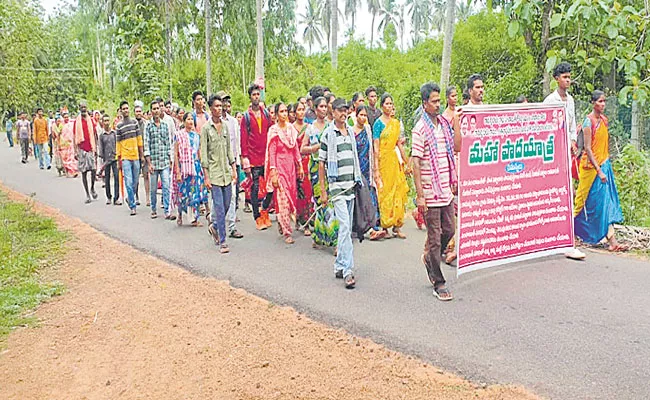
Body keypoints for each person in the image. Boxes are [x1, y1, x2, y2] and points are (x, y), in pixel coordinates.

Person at [412, 82, 462, 301]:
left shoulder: (443, 124)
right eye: (433, 101)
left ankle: (430, 259)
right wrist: (420, 195)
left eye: (438, 100)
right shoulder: (420, 130)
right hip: (430, 191)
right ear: (425, 104)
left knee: (449, 230)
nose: (437, 105)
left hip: (445, 189)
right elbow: (415, 163)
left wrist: (457, 122)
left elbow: (455, 149)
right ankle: (438, 281)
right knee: (434, 238)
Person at [574, 91, 627, 252]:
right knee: (580, 203)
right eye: (600, 102)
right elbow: (588, 149)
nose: (603, 104)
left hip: (603, 165)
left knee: (604, 204)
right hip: (590, 169)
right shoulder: (588, 122)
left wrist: (605, 167)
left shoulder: (604, 120)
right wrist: (599, 170)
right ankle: (566, 235)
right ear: (593, 103)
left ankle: (612, 242)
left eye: (604, 101)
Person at [544, 61, 587, 260]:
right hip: (552, 154)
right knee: (551, 194)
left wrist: (571, 141)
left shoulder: (570, 100)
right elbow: (544, 128)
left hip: (566, 154)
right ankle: (550, 237)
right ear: (556, 79)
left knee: (567, 193)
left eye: (569, 77)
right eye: (564, 77)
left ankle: (566, 239)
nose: (568, 80)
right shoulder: (550, 101)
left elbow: (571, 125)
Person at [319, 98, 363, 289]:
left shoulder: (350, 133)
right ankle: (348, 270)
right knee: (345, 226)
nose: (343, 114)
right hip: (337, 187)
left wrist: (358, 179)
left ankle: (339, 265)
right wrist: (323, 190)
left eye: (345, 110)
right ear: (333, 112)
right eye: (339, 111)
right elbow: (321, 163)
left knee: (346, 227)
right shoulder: (328, 134)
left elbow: (354, 158)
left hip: (350, 186)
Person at [201, 94, 238, 254]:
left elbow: (230, 150)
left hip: (226, 173)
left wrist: (234, 168)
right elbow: (204, 154)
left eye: (220, 106)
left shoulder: (225, 126)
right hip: (214, 174)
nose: (219, 109)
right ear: (210, 109)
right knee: (219, 208)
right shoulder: (205, 129)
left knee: (228, 202)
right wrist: (206, 176)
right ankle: (223, 241)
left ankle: (214, 227)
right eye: (216, 106)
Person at [302, 96, 338, 250]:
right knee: (320, 202)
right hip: (316, 167)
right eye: (321, 107)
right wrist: (315, 148)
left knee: (332, 202)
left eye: (325, 106)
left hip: (331, 168)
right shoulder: (310, 128)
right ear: (315, 109)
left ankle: (334, 239)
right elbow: (302, 149)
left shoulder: (332, 127)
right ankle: (320, 235)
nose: (324, 109)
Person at [265, 103, 304, 244]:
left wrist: (299, 166)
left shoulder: (291, 130)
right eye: (281, 111)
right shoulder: (274, 131)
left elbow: (295, 150)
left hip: (291, 170)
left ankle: (282, 221)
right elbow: (272, 153)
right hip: (279, 169)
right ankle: (287, 231)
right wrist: (273, 172)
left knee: (292, 196)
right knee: (283, 199)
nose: (284, 114)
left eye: (285, 111)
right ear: (276, 114)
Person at [373, 93, 409, 239]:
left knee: (398, 191)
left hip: (394, 161)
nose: (389, 106)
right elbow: (376, 147)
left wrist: (406, 161)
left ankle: (397, 226)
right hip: (383, 160)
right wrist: (376, 168)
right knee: (385, 192)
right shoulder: (378, 123)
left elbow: (398, 144)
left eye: (391, 104)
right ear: (382, 106)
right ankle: (385, 226)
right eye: (387, 104)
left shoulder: (395, 123)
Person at [240, 83, 274, 230]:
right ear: (250, 97)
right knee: (254, 188)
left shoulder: (266, 114)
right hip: (253, 158)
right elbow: (243, 139)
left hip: (265, 156)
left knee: (271, 185)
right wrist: (244, 158)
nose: (256, 97)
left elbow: (272, 131)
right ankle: (257, 217)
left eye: (258, 94)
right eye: (253, 95)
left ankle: (265, 209)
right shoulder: (246, 117)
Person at [353, 105, 384, 240]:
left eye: (365, 116)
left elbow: (371, 148)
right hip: (356, 168)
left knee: (367, 195)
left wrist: (374, 168)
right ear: (356, 115)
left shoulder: (368, 129)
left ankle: (371, 225)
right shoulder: (351, 131)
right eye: (361, 115)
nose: (363, 118)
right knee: (358, 197)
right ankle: (360, 225)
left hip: (367, 167)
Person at [173, 112, 208, 226]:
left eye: (192, 119)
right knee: (183, 193)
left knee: (195, 193)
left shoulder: (196, 136)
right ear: (184, 121)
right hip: (184, 168)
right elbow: (176, 154)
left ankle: (194, 218)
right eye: (188, 119)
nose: (190, 121)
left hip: (195, 168)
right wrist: (177, 171)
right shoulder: (179, 135)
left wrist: (203, 169)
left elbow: (199, 154)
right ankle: (179, 214)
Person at [218, 90, 244, 239]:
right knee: (220, 198)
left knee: (233, 196)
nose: (225, 105)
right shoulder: (211, 123)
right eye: (222, 102)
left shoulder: (233, 122)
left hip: (232, 163)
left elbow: (237, 144)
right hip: (218, 166)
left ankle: (232, 226)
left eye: (227, 102)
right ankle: (216, 223)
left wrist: (238, 162)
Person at [144, 100, 175, 220]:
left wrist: (170, 159)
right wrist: (149, 163)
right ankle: (153, 209)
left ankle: (167, 210)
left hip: (164, 161)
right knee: (153, 188)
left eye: (158, 108)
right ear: (151, 111)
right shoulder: (148, 126)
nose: (156, 111)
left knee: (166, 186)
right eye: (154, 109)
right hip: (153, 162)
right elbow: (146, 144)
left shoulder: (165, 125)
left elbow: (168, 143)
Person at [116, 101, 144, 216]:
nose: (126, 110)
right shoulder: (119, 126)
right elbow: (117, 143)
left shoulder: (134, 123)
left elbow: (139, 140)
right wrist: (118, 160)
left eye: (127, 108)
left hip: (135, 155)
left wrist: (142, 155)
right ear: (121, 111)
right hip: (125, 156)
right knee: (128, 181)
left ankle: (130, 196)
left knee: (136, 181)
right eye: (123, 108)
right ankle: (132, 205)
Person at [294, 102, 314, 236]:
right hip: (295, 162)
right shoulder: (291, 128)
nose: (301, 112)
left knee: (308, 192)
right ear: (294, 113)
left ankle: (307, 221)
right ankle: (299, 218)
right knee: (299, 192)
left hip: (308, 161)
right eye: (299, 110)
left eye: (303, 110)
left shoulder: (309, 127)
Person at [73, 102, 98, 203]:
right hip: (81, 149)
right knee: (83, 172)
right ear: (79, 109)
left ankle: (92, 188)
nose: (84, 109)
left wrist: (96, 148)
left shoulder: (91, 120)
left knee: (93, 170)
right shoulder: (76, 122)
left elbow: (95, 135)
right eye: (82, 107)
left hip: (90, 148)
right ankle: (87, 194)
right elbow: (74, 137)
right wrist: (75, 151)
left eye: (85, 107)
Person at [98, 114, 121, 205]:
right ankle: (108, 197)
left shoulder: (114, 133)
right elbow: (101, 148)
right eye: (105, 121)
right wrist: (102, 161)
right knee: (107, 178)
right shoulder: (101, 136)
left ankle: (116, 198)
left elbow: (117, 144)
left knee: (116, 178)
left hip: (114, 158)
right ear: (102, 123)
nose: (107, 123)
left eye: (108, 120)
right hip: (106, 160)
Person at [134, 101, 150, 206]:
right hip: (134, 153)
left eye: (140, 111)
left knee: (146, 176)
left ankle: (148, 198)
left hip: (145, 152)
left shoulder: (146, 124)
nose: (138, 113)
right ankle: (136, 197)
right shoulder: (132, 124)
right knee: (135, 176)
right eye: (136, 111)